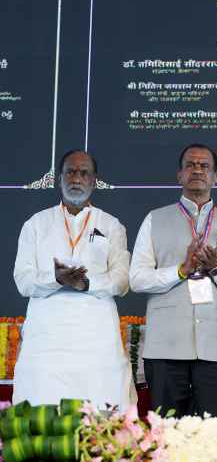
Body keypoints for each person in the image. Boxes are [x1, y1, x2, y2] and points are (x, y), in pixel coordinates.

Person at [130, 144, 217, 417]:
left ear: (215, 176)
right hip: (165, 347)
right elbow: (137, 279)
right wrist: (181, 271)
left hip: (215, 347)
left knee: (216, 433)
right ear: (179, 175)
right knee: (166, 432)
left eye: (205, 165)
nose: (197, 169)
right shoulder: (155, 219)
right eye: (190, 164)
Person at [12, 150, 135, 409]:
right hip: (46, 342)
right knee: (41, 416)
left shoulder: (112, 225)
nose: (76, 178)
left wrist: (87, 284)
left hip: (97, 340)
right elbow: (23, 281)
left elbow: (122, 281)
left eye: (84, 173)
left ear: (94, 180)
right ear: (59, 178)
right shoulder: (36, 224)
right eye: (70, 171)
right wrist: (55, 279)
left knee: (102, 416)